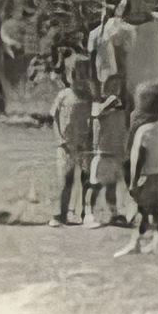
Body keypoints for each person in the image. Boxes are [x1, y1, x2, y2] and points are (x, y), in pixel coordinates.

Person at [95, 0, 158, 226]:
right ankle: (139, 205)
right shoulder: (118, 30)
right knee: (136, 155)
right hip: (135, 103)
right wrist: (122, 102)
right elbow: (114, 70)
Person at [115, 82, 158, 256]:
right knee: (156, 211)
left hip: (146, 178)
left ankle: (135, 243)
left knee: (140, 212)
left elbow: (138, 159)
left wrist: (133, 182)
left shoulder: (143, 131)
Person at [50, 52, 95, 226]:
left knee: (86, 180)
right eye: (77, 75)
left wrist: (91, 138)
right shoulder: (63, 95)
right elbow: (54, 118)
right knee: (65, 180)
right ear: (69, 75)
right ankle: (59, 214)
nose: (80, 80)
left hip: (84, 145)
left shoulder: (90, 97)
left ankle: (85, 213)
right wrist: (60, 139)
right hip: (66, 146)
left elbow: (93, 119)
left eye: (85, 76)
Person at [86, 80, 126, 228]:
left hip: (115, 154)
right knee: (95, 186)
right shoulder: (99, 107)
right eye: (113, 87)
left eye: (118, 87)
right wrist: (109, 101)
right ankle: (89, 214)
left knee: (112, 186)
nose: (116, 91)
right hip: (102, 154)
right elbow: (96, 114)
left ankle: (114, 214)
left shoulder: (120, 109)